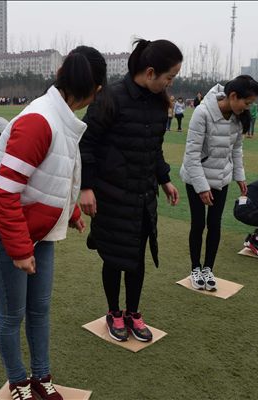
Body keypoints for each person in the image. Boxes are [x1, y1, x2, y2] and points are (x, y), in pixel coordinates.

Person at [0, 45, 107, 400]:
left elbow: (57, 175)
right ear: (96, 90)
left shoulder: (62, 117)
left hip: (39, 231)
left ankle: (41, 377)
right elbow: (4, 194)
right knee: (12, 315)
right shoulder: (41, 120)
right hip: (8, 231)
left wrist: (72, 212)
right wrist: (18, 249)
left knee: (40, 310)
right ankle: (18, 382)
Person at [80, 38, 182, 343]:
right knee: (113, 257)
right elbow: (86, 144)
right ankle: (114, 312)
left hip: (143, 195)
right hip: (111, 195)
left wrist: (164, 179)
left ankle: (133, 313)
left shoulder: (158, 101)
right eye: (169, 76)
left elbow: (154, 148)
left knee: (137, 257)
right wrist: (85, 187)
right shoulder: (110, 97)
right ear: (150, 72)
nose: (170, 82)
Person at [180, 75, 258, 291]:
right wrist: (202, 187)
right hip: (196, 178)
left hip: (221, 179)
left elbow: (236, 149)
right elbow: (191, 156)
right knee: (198, 224)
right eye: (247, 102)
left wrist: (239, 176)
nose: (248, 108)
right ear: (233, 96)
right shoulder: (202, 112)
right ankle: (195, 267)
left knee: (215, 224)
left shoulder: (237, 117)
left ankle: (208, 268)